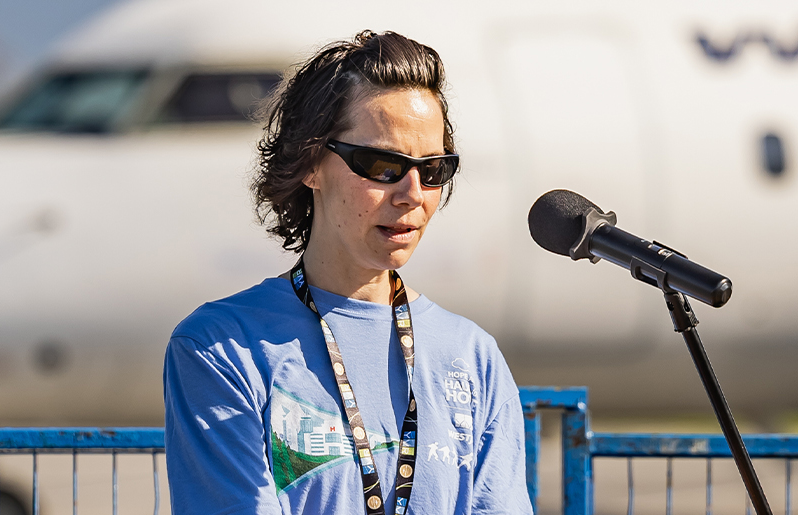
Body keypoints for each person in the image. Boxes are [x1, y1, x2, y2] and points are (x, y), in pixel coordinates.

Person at [165, 31, 529, 514]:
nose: (412, 194)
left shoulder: (472, 356)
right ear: (310, 164)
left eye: (434, 169)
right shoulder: (221, 347)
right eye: (382, 165)